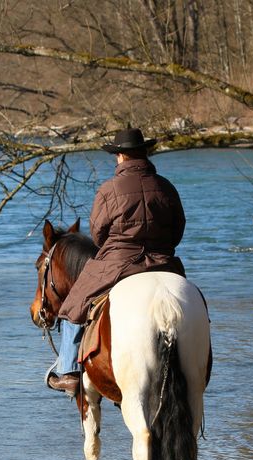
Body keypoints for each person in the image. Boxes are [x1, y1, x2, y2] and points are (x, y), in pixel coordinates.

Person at [47, 127, 187, 395]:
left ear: (121, 156)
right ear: (144, 153)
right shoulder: (166, 187)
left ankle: (68, 372)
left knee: (74, 303)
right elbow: (178, 228)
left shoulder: (109, 189)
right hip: (163, 261)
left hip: (119, 261)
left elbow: (98, 233)